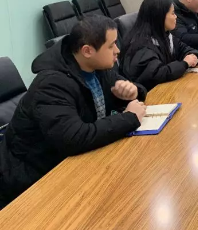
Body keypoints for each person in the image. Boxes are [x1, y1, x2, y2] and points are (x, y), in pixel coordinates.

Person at [0, 16, 147, 209]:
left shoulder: (98, 67)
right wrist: (129, 118)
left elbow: (122, 88)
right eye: (111, 46)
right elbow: (74, 138)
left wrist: (133, 92)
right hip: (30, 181)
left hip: (71, 164)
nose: (117, 50)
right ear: (87, 51)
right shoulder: (51, 85)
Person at [120, 0, 198, 91]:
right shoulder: (141, 44)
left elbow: (186, 49)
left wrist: (193, 56)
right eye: (172, 13)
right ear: (159, 17)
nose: (176, 17)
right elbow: (156, 74)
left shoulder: (165, 35)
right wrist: (184, 63)